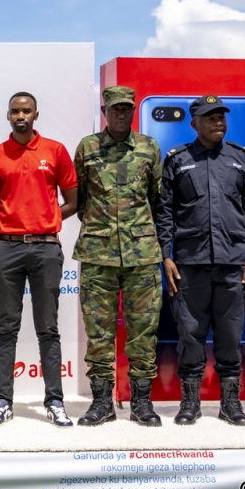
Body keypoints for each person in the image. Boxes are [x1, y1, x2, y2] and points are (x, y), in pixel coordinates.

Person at [155, 94, 245, 427]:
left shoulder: (240, 159)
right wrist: (165, 256)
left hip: (233, 264)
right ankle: (191, 403)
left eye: (221, 116)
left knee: (230, 336)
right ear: (194, 123)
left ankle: (231, 404)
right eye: (210, 117)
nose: (218, 121)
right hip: (189, 265)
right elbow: (165, 214)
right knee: (190, 335)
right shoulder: (177, 160)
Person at [0, 91, 78, 428]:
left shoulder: (55, 151)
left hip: (46, 249)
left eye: (26, 111)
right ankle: (3, 401)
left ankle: (55, 401)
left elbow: (73, 200)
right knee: (6, 327)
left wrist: (47, 220)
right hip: (7, 248)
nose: (20, 116)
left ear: (36, 114)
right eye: (15, 111)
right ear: (8, 115)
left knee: (47, 328)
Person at [72, 86, 163, 427]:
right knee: (99, 333)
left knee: (143, 332)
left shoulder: (149, 148)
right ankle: (101, 403)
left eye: (127, 109)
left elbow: (157, 200)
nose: (122, 114)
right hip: (98, 254)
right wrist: (103, 229)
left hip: (142, 256)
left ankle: (141, 402)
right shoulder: (88, 147)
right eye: (116, 109)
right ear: (104, 110)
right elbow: (80, 199)